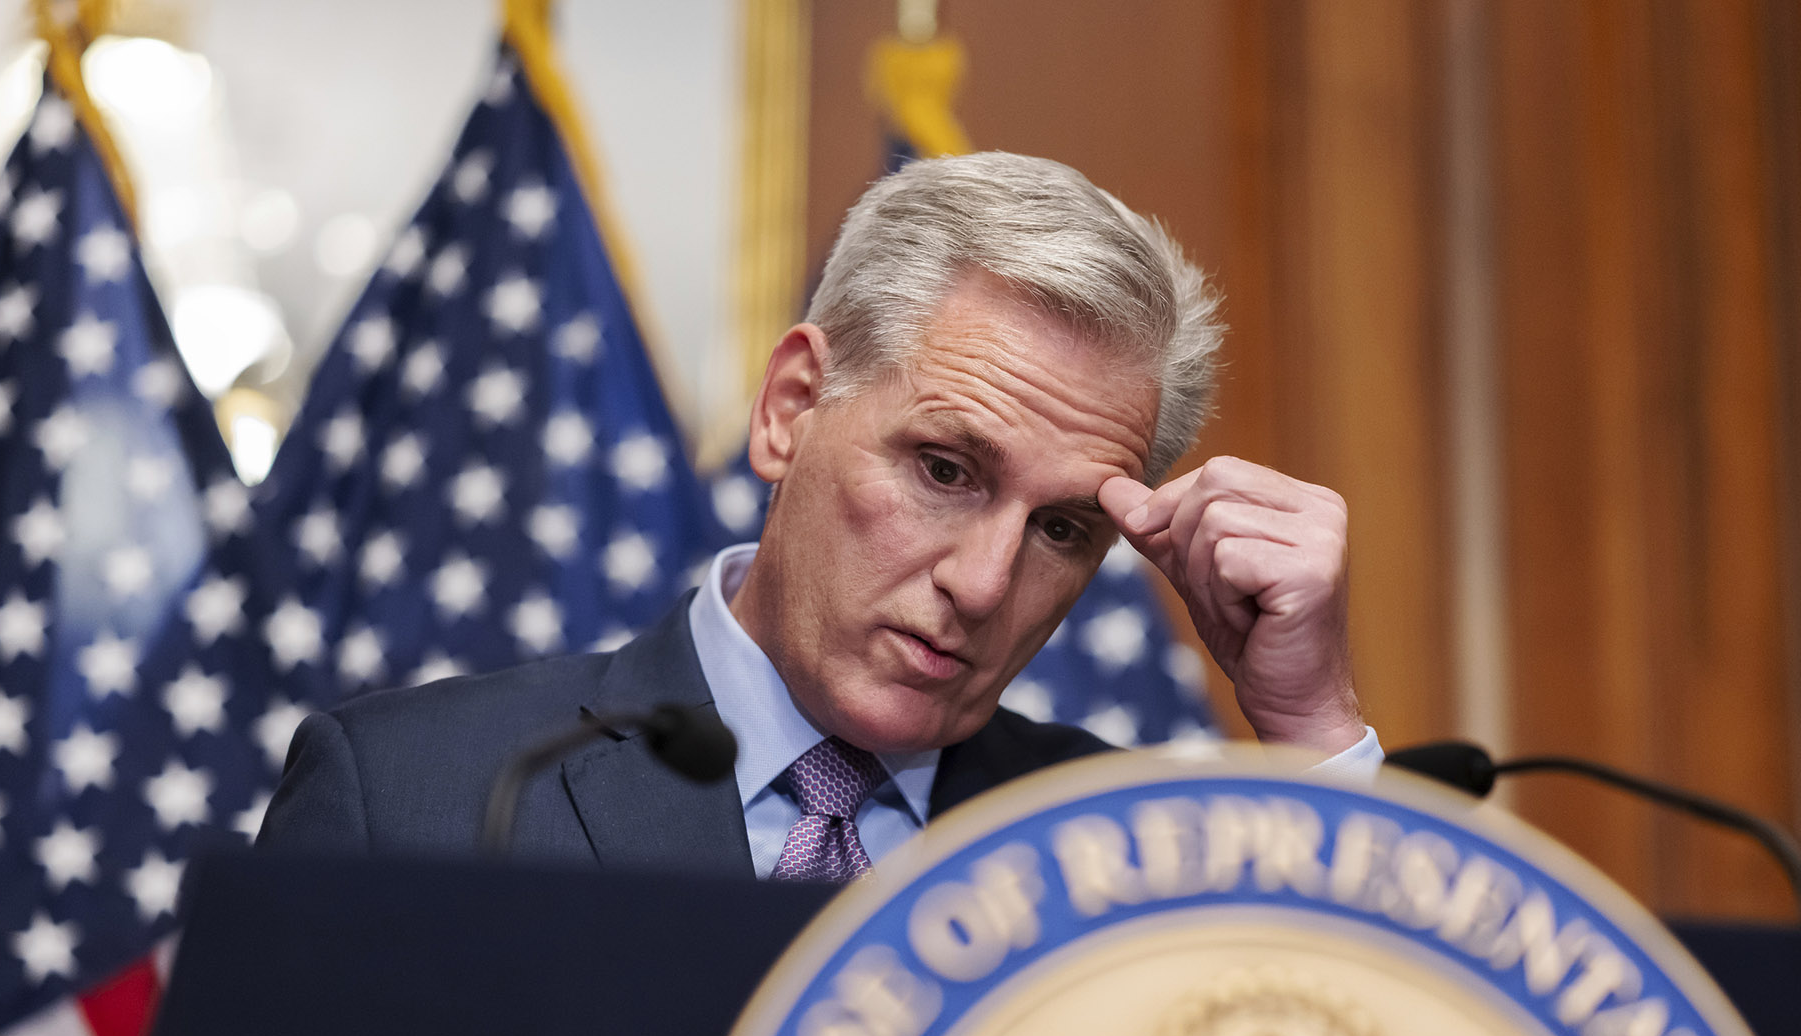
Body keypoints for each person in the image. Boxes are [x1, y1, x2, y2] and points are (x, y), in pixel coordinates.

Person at [256, 152, 1379, 876]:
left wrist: (1315, 728)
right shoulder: (419, 803)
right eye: (944, 469)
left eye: (1062, 530)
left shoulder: (1122, 859)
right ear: (792, 407)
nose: (982, 586)